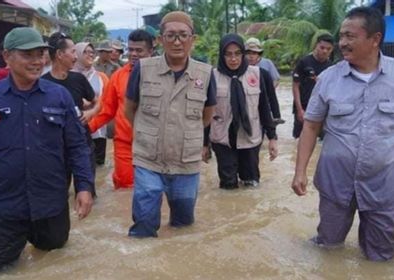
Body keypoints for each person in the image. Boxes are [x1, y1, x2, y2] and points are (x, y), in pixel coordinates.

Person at [0, 27, 94, 271]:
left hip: (51, 203)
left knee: (56, 267)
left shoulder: (59, 96)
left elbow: (77, 147)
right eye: (28, 54)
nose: (37, 61)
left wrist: (84, 187)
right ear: (7, 56)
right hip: (4, 208)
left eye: (41, 54)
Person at [291, 7, 394, 261]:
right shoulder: (328, 79)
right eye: (341, 36)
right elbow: (311, 126)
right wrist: (300, 171)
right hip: (336, 184)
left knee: (381, 256)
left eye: (350, 36)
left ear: (375, 38)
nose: (342, 43)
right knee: (329, 248)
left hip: (383, 186)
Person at [124, 11, 216, 237]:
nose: (177, 41)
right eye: (171, 35)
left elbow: (207, 117)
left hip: (187, 163)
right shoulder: (143, 69)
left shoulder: (205, 73)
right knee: (144, 225)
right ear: (160, 40)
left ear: (192, 39)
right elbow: (129, 110)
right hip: (148, 159)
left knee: (183, 227)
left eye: (183, 35)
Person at [206, 34, 278, 189]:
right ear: (221, 55)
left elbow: (264, 108)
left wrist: (272, 138)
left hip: (250, 137)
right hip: (222, 139)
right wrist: (204, 144)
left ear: (243, 54)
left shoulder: (259, 75)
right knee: (228, 186)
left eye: (237, 54)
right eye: (228, 54)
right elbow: (206, 113)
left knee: (251, 184)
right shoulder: (211, 77)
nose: (233, 59)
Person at [89, 30, 153, 189]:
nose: (134, 54)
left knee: (156, 190)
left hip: (154, 146)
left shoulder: (163, 75)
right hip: (125, 145)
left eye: (139, 50)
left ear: (150, 51)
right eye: (131, 50)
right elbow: (106, 110)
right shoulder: (118, 76)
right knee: (126, 189)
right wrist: (84, 129)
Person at [42, 32, 97, 190]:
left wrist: (91, 113)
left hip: (83, 144)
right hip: (57, 149)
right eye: (73, 51)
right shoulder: (42, 84)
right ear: (59, 54)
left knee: (87, 191)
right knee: (58, 194)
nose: (76, 56)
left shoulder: (78, 79)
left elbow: (98, 102)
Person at [73, 42, 109, 166]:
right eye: (86, 52)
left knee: (99, 168)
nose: (90, 55)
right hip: (76, 130)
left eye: (92, 52)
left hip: (98, 130)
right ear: (76, 54)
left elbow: (107, 101)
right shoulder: (68, 76)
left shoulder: (101, 77)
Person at [292, 34, 334, 138]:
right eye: (322, 47)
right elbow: (295, 86)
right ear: (316, 46)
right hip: (304, 106)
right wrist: (299, 109)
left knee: (320, 140)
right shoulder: (304, 62)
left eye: (328, 49)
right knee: (299, 138)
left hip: (321, 108)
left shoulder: (331, 67)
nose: (324, 51)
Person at [245, 37, 284, 125]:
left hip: (266, 101)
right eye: (248, 53)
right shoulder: (241, 67)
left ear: (259, 54)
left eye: (254, 53)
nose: (251, 56)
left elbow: (276, 79)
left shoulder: (267, 63)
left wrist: (268, 91)